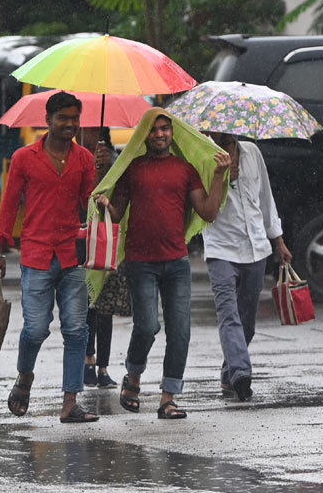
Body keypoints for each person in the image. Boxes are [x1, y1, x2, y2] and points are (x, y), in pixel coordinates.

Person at [94, 109, 231, 420]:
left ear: (173, 133)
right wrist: (104, 199)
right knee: (147, 326)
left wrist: (220, 175)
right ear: (145, 135)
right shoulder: (133, 169)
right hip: (140, 262)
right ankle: (133, 377)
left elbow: (209, 212)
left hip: (177, 262)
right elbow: (116, 214)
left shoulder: (186, 170)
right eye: (154, 129)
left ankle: (168, 397)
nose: (160, 134)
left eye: (165, 129)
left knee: (180, 332)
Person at [0, 91, 99, 423]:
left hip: (72, 254)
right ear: (48, 120)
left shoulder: (84, 159)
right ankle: (25, 377)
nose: (70, 124)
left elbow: (88, 203)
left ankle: (70, 403)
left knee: (77, 330)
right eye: (63, 118)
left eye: (74, 118)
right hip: (36, 254)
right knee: (35, 329)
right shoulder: (24, 157)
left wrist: (102, 176)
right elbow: (8, 205)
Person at [200, 131, 292, 402]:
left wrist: (279, 241)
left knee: (247, 322)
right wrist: (223, 176)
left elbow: (266, 198)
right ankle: (241, 374)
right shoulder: (203, 155)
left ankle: (229, 372)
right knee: (229, 315)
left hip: (256, 247)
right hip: (220, 247)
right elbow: (202, 204)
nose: (225, 136)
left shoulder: (252, 151)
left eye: (229, 136)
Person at [83, 135, 118, 389]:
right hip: (84, 242)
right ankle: (88, 360)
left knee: (105, 309)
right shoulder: (81, 161)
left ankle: (103, 366)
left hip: (108, 243)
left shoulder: (117, 167)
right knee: (87, 308)